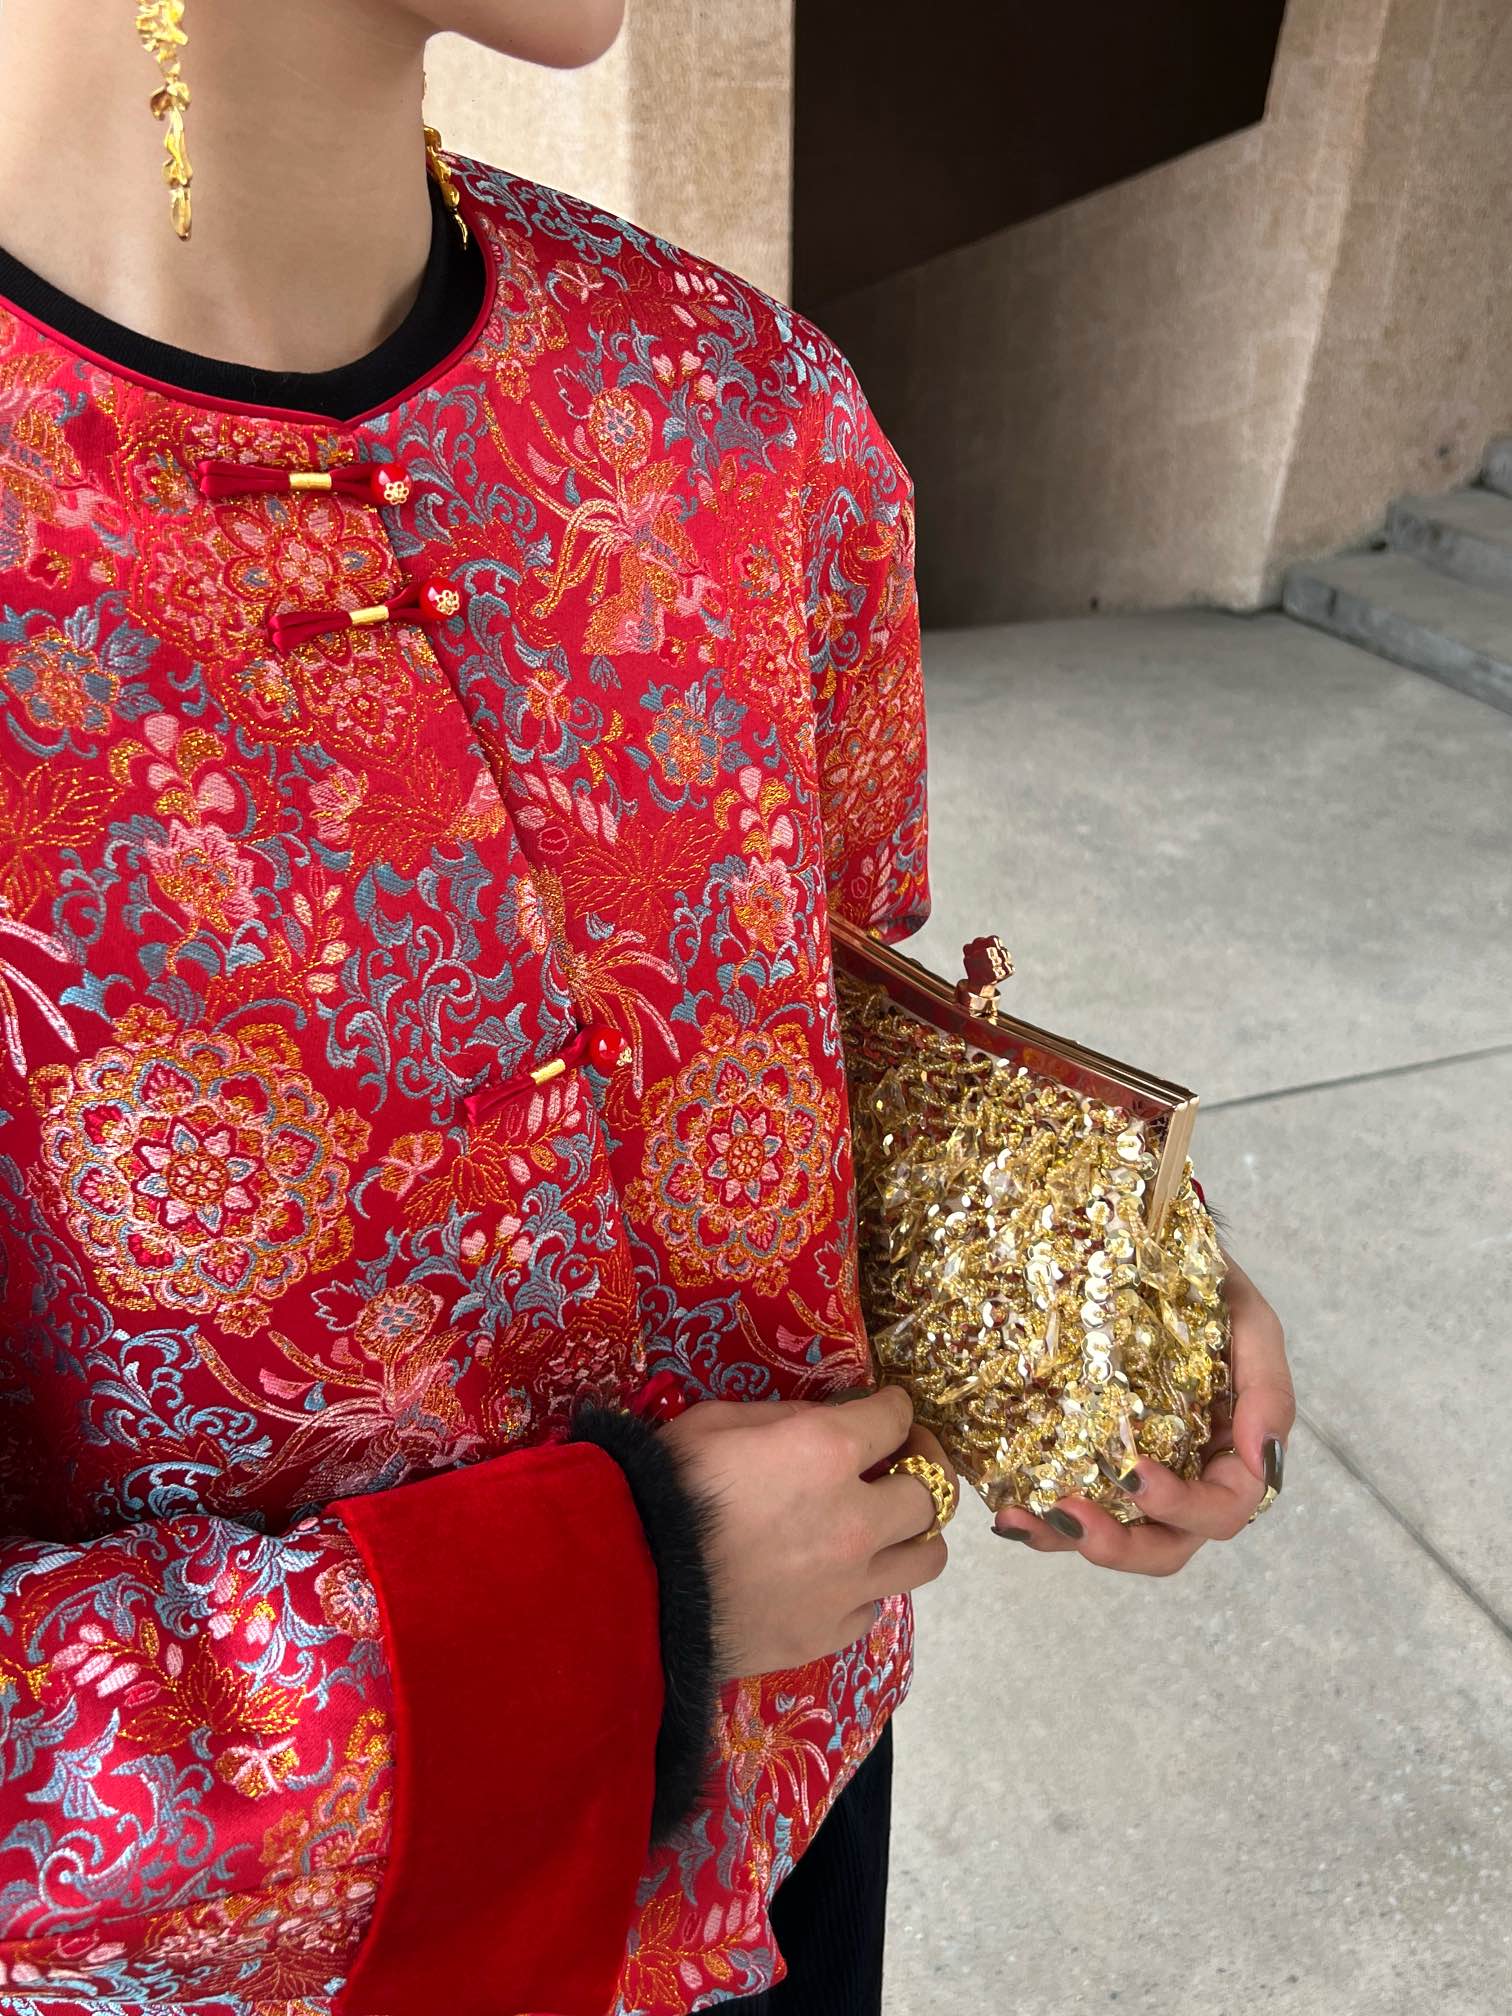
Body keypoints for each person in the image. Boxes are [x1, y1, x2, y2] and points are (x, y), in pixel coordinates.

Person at [0, 3, 1295, 2013]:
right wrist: (626, 1603)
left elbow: (815, 1021)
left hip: (797, 1819)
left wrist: (1063, 1289)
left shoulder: (744, 408)